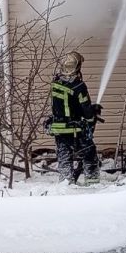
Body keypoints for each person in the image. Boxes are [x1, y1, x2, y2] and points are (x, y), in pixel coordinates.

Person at [48, 52, 102, 184]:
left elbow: (66, 105)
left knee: (64, 157)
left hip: (59, 128)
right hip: (75, 129)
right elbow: (85, 108)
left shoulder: (56, 83)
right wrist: (91, 117)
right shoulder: (79, 86)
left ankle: (66, 183)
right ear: (78, 67)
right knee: (89, 153)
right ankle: (93, 182)